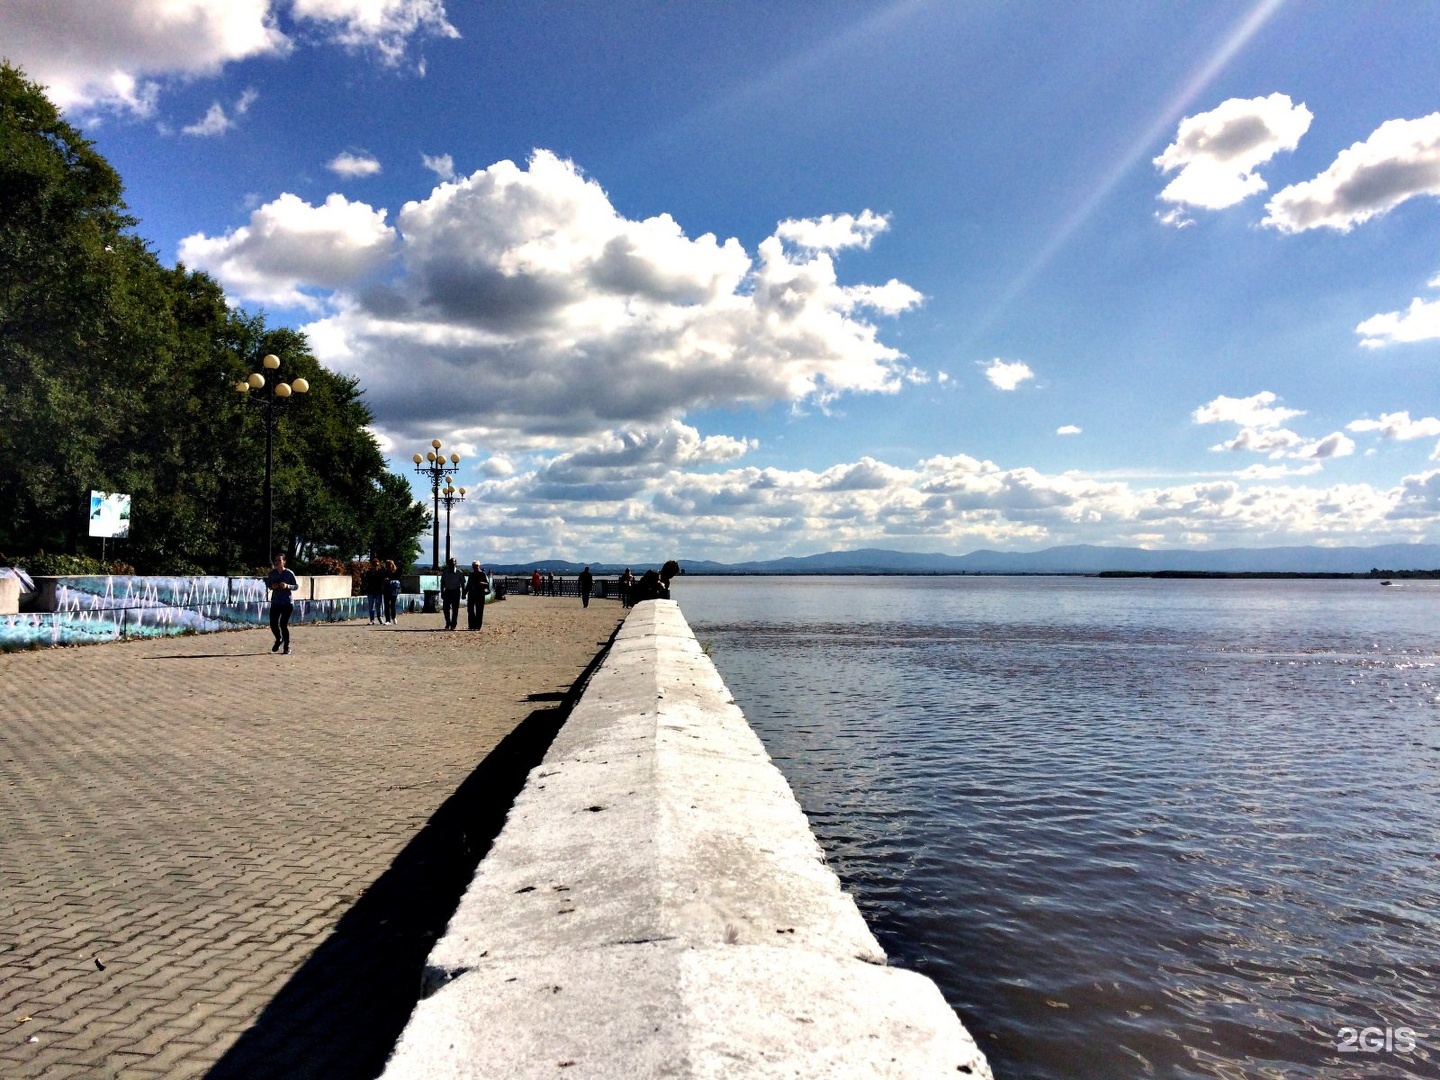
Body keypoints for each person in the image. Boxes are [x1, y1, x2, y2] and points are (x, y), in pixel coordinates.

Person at [265, 553, 298, 654]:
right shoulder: (272, 573)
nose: (277, 562)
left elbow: (296, 586)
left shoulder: (289, 573)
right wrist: (272, 586)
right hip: (276, 602)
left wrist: (287, 586)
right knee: (273, 623)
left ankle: (287, 646)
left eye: (279, 560)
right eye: (275, 560)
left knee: (283, 624)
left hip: (287, 603)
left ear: (284, 562)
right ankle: (279, 639)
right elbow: (269, 585)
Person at [440, 557, 465, 630]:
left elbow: (463, 584)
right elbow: (442, 583)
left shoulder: (459, 572)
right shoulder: (445, 572)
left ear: (455, 563)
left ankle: (453, 624)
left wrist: (464, 593)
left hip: (456, 592)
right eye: (450, 563)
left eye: (453, 562)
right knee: (445, 609)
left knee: (455, 609)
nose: (451, 564)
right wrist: (442, 592)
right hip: (447, 591)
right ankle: (448, 622)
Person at [466, 561, 489, 631]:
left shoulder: (483, 574)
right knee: (470, 610)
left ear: (479, 566)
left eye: (476, 566)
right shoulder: (471, 574)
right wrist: (465, 592)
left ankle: (478, 626)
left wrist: (481, 583)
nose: (475, 568)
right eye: (474, 566)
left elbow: (487, 583)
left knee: (479, 610)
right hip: (471, 593)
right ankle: (471, 625)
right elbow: (468, 584)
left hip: (480, 594)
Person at [363, 560, 385, 624]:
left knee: (379, 605)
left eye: (377, 565)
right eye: (374, 565)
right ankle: (372, 620)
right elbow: (365, 580)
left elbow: (383, 578)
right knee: (371, 606)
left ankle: (379, 617)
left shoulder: (381, 572)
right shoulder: (368, 573)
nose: (376, 566)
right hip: (370, 590)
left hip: (378, 590)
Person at [383, 560, 401, 624]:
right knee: (386, 605)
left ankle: (393, 617)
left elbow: (399, 580)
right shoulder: (385, 572)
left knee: (392, 605)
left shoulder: (396, 572)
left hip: (394, 590)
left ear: (392, 565)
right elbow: (383, 579)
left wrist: (391, 581)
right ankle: (387, 620)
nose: (388, 566)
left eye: (389, 565)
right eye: (387, 565)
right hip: (386, 590)